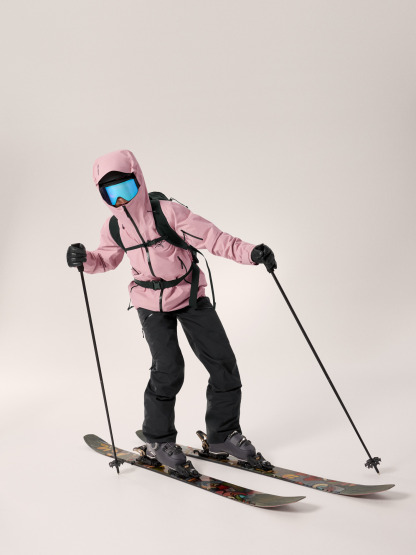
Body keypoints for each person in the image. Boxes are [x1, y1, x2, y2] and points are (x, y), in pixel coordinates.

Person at [67, 149, 276, 473]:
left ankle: (222, 435)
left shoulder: (169, 213)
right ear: (102, 195)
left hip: (189, 295)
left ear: (138, 181)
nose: (120, 200)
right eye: (111, 193)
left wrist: (252, 253)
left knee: (222, 362)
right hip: (149, 302)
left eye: (125, 189)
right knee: (168, 369)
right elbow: (106, 259)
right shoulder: (114, 226)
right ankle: (158, 440)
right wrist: (84, 259)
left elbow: (214, 238)